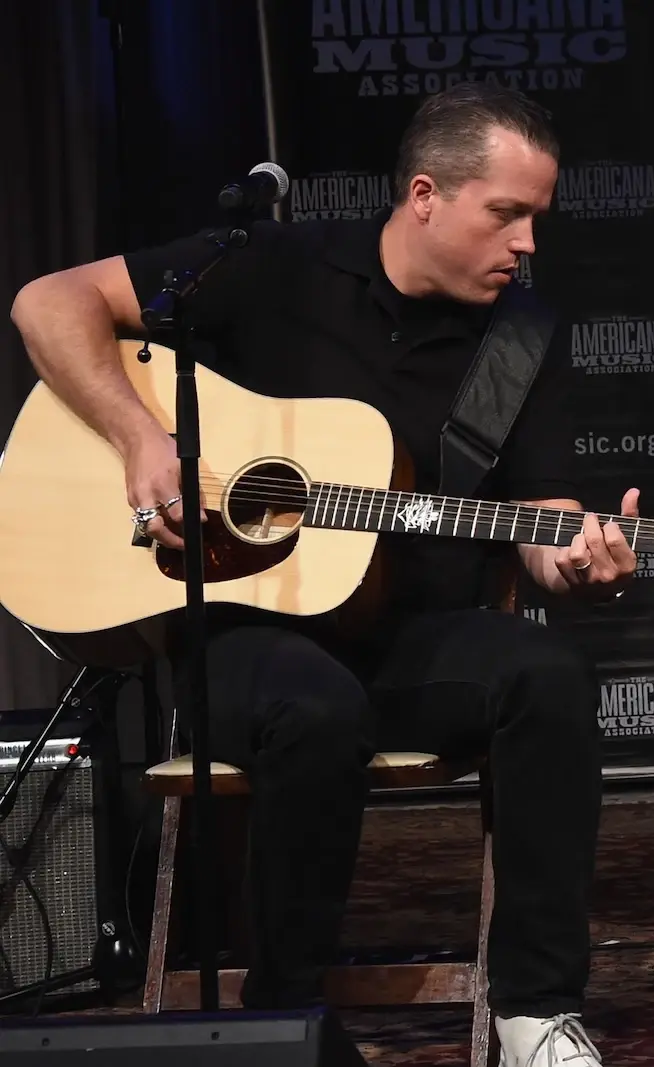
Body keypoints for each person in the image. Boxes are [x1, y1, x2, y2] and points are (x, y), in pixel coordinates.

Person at [11, 82, 620, 1064]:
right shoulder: (273, 267)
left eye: (537, 220)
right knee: (314, 708)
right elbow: (48, 302)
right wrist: (141, 438)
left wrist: (575, 556)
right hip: (241, 633)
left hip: (409, 636)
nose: (527, 245)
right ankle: (283, 1019)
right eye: (507, 214)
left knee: (544, 676)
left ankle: (533, 1009)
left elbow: (542, 515)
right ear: (425, 195)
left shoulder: (519, 341)